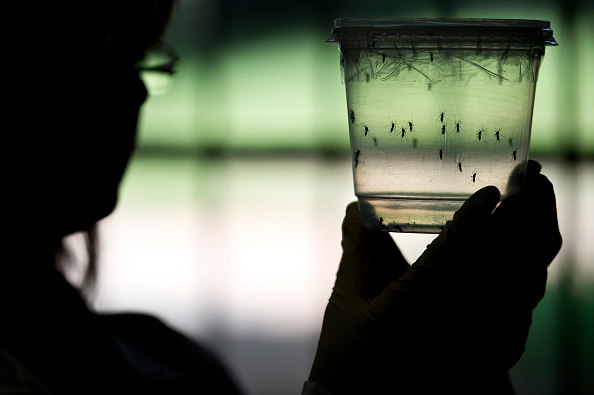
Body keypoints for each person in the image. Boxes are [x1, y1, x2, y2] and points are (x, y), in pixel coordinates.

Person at [2, 2, 562, 395]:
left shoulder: (179, 368)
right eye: (85, 43)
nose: (129, 90)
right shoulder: (171, 371)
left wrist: (457, 371)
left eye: (136, 54)